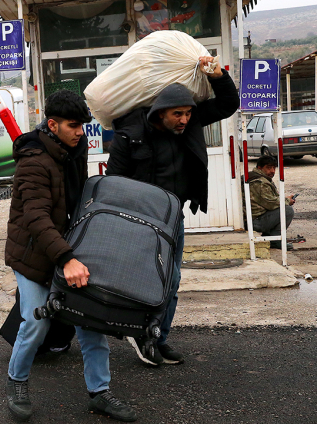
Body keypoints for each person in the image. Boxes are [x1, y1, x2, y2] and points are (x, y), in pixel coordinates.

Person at [4, 90, 136, 422]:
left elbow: (78, 201)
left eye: (83, 125)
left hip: (67, 249)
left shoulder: (74, 150)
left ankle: (99, 393)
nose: (81, 132)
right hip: (33, 256)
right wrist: (66, 259)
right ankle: (17, 383)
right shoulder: (33, 161)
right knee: (36, 322)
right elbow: (36, 218)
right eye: (74, 125)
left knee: (90, 323)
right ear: (53, 124)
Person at [106, 56, 239, 366]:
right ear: (159, 112)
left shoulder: (190, 124)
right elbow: (113, 181)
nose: (184, 119)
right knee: (152, 280)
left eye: (188, 113)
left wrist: (218, 76)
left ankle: (158, 338)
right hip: (141, 221)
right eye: (177, 114)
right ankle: (144, 334)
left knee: (173, 281)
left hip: (173, 217)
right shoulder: (130, 132)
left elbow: (228, 104)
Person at [249, 155, 296, 250]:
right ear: (260, 168)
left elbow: (269, 199)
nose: (272, 171)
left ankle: (269, 237)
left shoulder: (254, 176)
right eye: (269, 168)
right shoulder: (260, 182)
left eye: (274, 168)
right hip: (254, 221)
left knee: (281, 207)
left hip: (253, 217)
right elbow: (271, 204)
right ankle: (275, 241)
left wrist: (284, 199)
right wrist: (287, 201)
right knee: (287, 210)